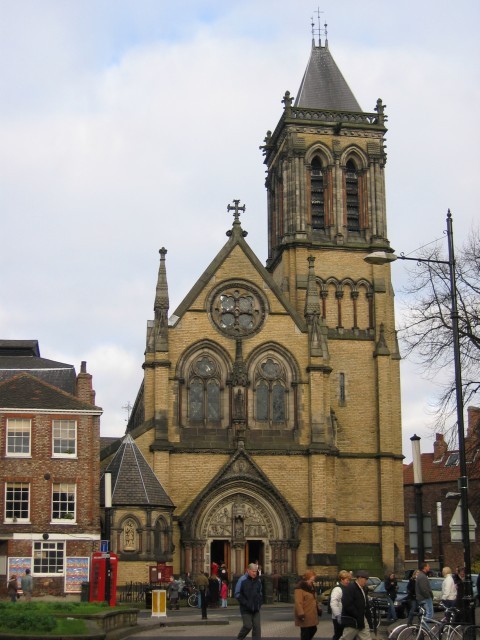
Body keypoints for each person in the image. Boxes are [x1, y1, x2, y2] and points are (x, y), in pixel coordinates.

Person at [339, 569, 373, 640]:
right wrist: (357, 615)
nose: (366, 581)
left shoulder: (362, 589)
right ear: (359, 578)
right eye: (365, 579)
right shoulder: (350, 588)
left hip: (362, 620)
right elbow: (347, 604)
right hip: (352, 621)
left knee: (367, 638)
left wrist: (368, 619)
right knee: (346, 638)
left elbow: (365, 605)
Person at [235, 562, 263, 639]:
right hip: (246, 609)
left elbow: (260, 593)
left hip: (256, 608)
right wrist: (246, 603)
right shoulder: (242, 580)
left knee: (257, 629)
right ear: (248, 570)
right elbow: (237, 594)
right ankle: (239, 638)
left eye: (256, 571)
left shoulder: (258, 580)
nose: (255, 573)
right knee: (247, 626)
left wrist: (259, 603)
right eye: (253, 571)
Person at [294, 570, 320, 640]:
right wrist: (301, 614)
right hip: (305, 614)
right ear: (309, 577)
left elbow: (314, 599)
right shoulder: (300, 588)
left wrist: (318, 608)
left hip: (311, 613)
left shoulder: (311, 586)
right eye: (312, 577)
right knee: (305, 633)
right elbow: (298, 602)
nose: (314, 578)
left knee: (313, 629)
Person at [330, 570, 351, 640]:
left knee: (343, 635)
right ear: (341, 579)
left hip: (344, 616)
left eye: (349, 580)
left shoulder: (346, 588)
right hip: (338, 616)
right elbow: (333, 603)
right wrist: (338, 615)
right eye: (346, 580)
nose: (348, 581)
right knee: (338, 635)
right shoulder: (337, 589)